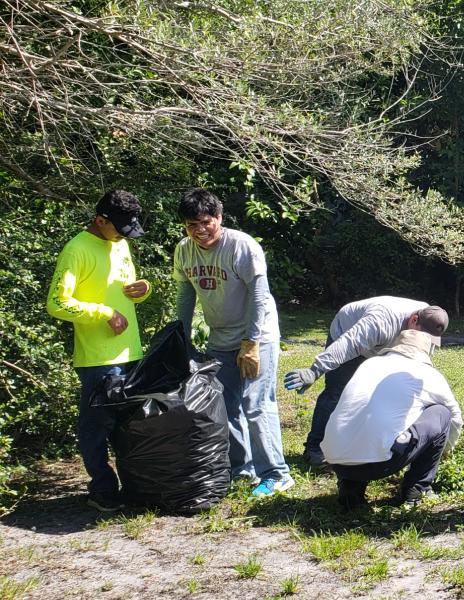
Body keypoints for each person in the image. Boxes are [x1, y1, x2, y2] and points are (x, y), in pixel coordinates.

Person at [172, 189, 293, 498]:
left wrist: (251, 342)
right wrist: (180, 339)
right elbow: (185, 297)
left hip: (258, 335)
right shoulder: (185, 251)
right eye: (191, 225)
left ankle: (277, 474)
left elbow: (258, 294)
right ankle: (243, 469)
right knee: (224, 406)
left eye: (206, 222)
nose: (199, 230)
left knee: (256, 403)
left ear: (219, 218)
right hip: (220, 336)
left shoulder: (241, 245)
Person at [46, 190, 152, 512]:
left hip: (130, 351)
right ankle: (102, 490)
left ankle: (134, 484)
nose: (124, 235)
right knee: (95, 428)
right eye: (120, 229)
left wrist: (143, 290)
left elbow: (126, 291)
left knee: (128, 427)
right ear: (100, 220)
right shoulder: (77, 249)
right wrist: (104, 313)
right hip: (98, 359)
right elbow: (56, 303)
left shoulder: (120, 243)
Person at [284, 296, 450, 467]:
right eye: (419, 335)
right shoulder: (381, 321)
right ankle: (314, 449)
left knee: (383, 393)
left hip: (384, 349)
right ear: (414, 319)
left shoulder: (430, 321)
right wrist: (314, 371)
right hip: (348, 334)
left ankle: (364, 442)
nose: (422, 341)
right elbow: (348, 344)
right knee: (336, 392)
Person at [323, 329, 463, 510]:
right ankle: (417, 488)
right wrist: (446, 450)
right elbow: (455, 417)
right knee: (441, 413)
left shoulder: (368, 364)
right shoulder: (426, 373)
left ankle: (350, 488)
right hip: (382, 462)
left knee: (363, 418)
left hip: (336, 460)